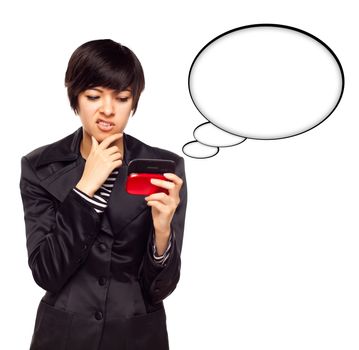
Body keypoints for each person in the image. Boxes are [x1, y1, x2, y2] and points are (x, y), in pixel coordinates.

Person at [19, 39, 187, 350]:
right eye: (94, 96)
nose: (107, 110)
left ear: (134, 101)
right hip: (63, 336)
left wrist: (163, 232)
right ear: (76, 98)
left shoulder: (165, 168)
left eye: (121, 98)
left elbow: (159, 289)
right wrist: (85, 188)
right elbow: (46, 273)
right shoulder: (39, 167)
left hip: (137, 336)